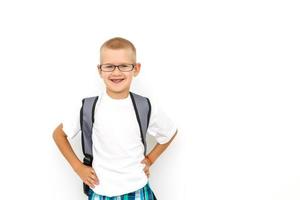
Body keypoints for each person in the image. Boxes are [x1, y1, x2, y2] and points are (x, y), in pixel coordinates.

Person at [53, 37, 177, 199]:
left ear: (136, 69)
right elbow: (59, 134)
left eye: (124, 66)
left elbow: (169, 132)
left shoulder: (145, 106)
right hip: (101, 190)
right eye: (109, 66)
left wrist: (150, 160)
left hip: (137, 188)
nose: (116, 72)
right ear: (100, 70)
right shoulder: (89, 106)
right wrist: (78, 168)